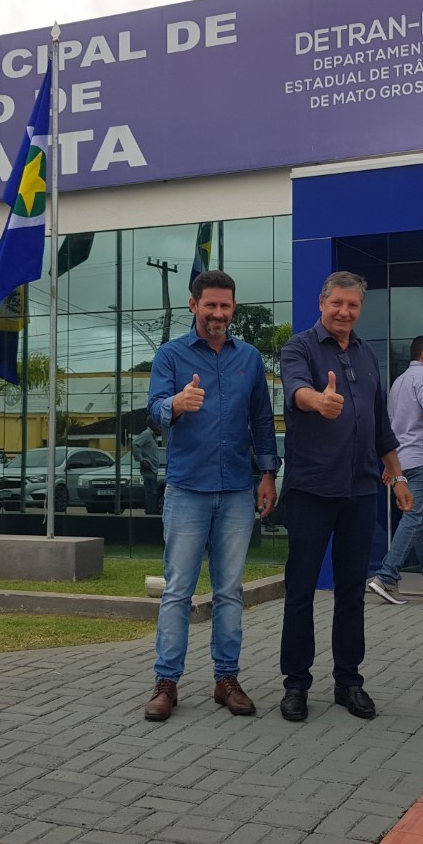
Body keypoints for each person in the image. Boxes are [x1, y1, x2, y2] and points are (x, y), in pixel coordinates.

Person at [142, 270, 279, 722]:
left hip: (238, 490)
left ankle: (227, 679)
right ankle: (166, 682)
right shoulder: (171, 354)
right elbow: (154, 409)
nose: (218, 313)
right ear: (193, 305)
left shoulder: (250, 358)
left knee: (229, 591)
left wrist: (268, 474)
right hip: (187, 490)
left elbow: (262, 420)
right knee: (178, 591)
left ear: (233, 308)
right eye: (210, 305)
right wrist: (176, 405)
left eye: (225, 306)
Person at [279, 271, 413, 721]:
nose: (344, 311)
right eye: (336, 303)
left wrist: (398, 476)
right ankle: (296, 685)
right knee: (301, 591)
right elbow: (296, 390)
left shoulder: (366, 354)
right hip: (311, 489)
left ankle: (349, 682)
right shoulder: (298, 347)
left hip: (360, 490)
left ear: (360, 309)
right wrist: (318, 401)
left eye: (352, 305)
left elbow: (381, 426)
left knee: (352, 591)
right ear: (322, 303)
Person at [366, 335, 423, 604]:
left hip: (402, 461)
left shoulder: (399, 383)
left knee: (420, 520)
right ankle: (387, 576)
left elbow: (391, 426)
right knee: (415, 517)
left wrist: (391, 465)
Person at [131, 419, 162, 515]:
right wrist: (141, 460)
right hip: (148, 468)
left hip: (153, 468)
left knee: (153, 493)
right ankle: (150, 515)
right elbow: (134, 444)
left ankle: (151, 513)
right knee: (151, 493)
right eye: (158, 423)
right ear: (153, 424)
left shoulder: (153, 435)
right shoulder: (146, 434)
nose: (160, 425)